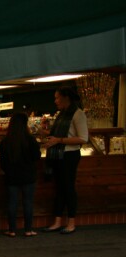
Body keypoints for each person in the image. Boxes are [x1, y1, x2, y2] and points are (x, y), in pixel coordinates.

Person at [40, 87, 88, 234]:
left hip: (69, 155)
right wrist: (47, 132)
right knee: (60, 188)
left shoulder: (78, 114)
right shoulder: (62, 114)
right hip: (59, 155)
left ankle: (71, 222)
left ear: (66, 97)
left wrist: (58, 140)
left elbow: (83, 138)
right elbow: (59, 134)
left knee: (68, 188)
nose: (55, 101)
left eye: (57, 98)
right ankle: (57, 221)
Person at [0, 112, 41, 237]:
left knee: (12, 202)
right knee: (28, 202)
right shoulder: (30, 140)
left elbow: (3, 162)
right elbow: (37, 156)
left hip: (11, 176)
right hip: (28, 176)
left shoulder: (5, 142)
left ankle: (12, 230)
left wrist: (7, 171)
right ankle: (28, 229)